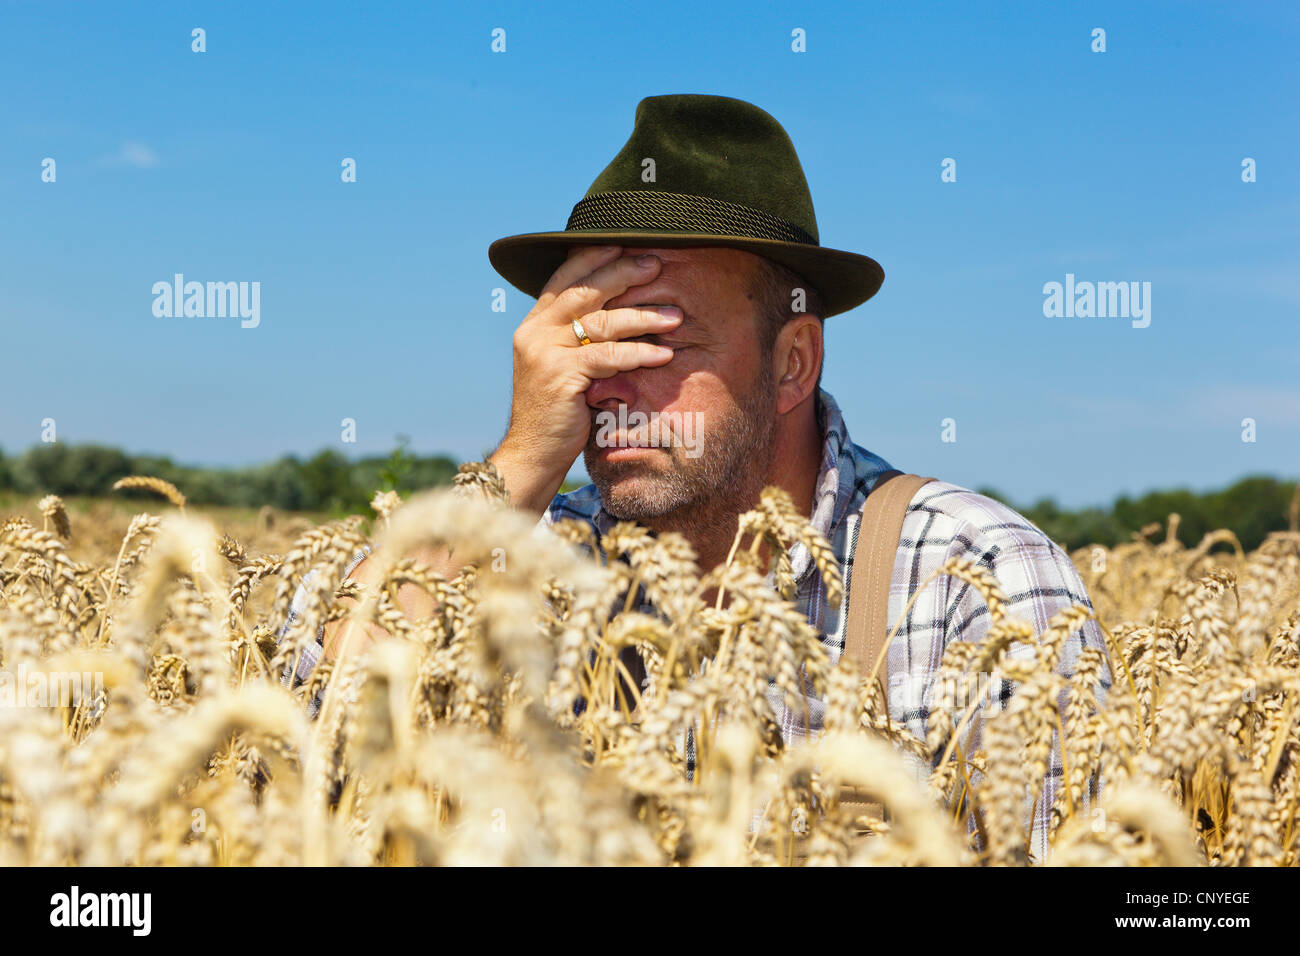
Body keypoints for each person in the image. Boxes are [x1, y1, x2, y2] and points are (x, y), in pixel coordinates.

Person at [280, 93, 1111, 863]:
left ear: (792, 363)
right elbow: (298, 753)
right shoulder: (534, 568)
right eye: (589, 341)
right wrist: (522, 460)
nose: (609, 383)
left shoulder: (969, 580)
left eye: (662, 345)